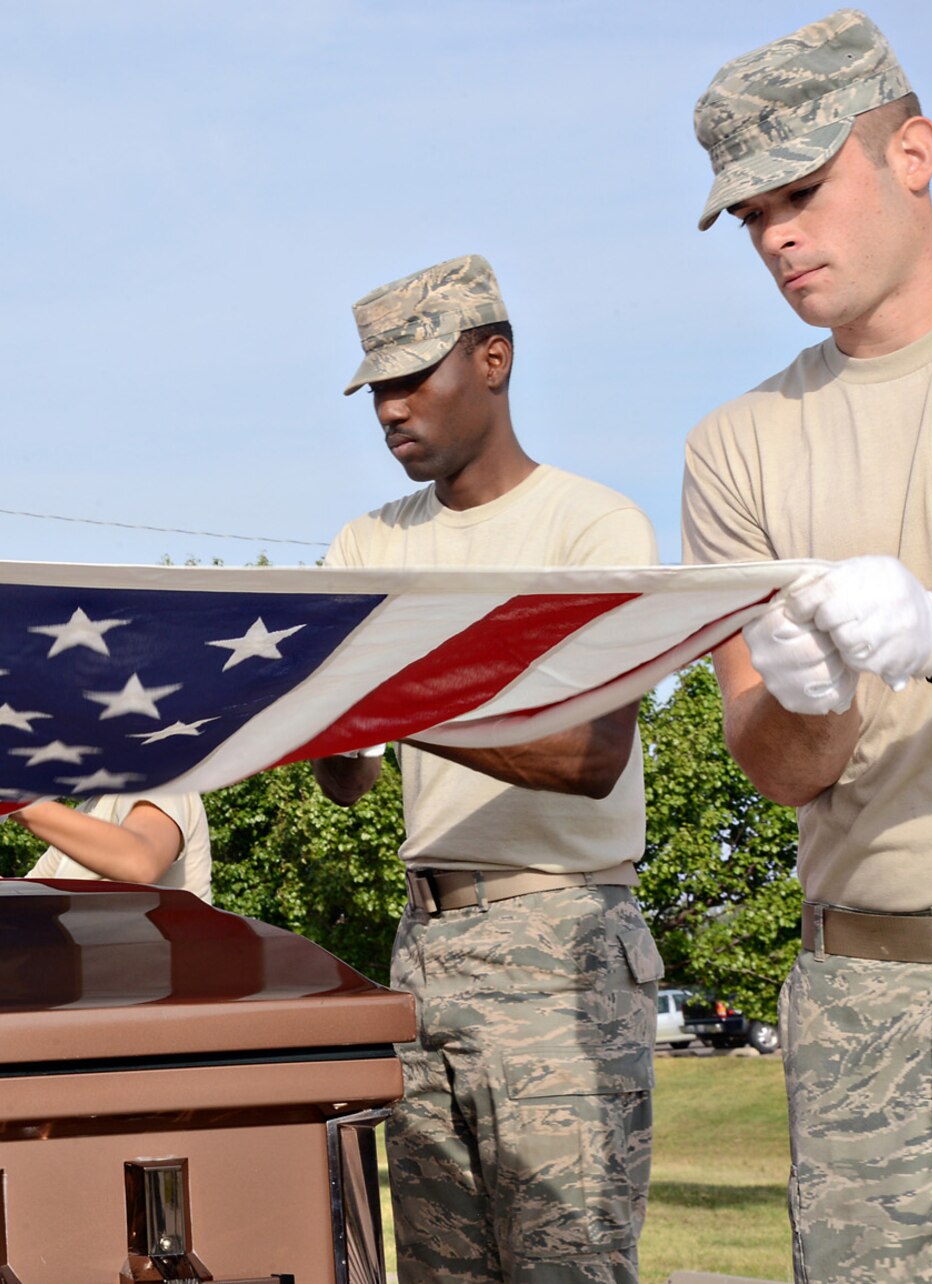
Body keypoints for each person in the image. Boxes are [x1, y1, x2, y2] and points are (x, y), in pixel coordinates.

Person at [681, 11, 932, 1279]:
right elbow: (777, 768)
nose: (776, 235)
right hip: (855, 997)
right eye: (750, 212)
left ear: (909, 153)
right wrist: (809, 701)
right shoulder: (734, 447)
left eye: (800, 189)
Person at [313, 255, 661, 1284]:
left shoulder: (589, 529)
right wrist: (323, 720)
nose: (388, 408)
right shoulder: (364, 545)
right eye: (375, 388)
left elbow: (590, 756)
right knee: (433, 1272)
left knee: (567, 1266)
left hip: (560, 941)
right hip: (422, 944)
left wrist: (388, 700)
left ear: (493, 360)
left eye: (412, 378)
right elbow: (347, 780)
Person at [0, 791, 213, 902]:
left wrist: (6, 801)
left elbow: (140, 861)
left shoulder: (165, 784)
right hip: (104, 1012)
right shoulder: (87, 817)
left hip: (169, 1017)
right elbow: (25, 909)